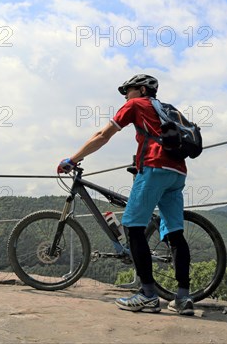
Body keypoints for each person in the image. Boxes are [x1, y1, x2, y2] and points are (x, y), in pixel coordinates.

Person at [57, 74, 194, 316]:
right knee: (175, 231)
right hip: (177, 172)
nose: (125, 96)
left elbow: (103, 135)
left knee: (132, 225)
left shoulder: (135, 105)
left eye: (127, 91)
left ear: (141, 90)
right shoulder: (168, 109)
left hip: (154, 168)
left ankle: (148, 295)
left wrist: (73, 159)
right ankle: (183, 298)